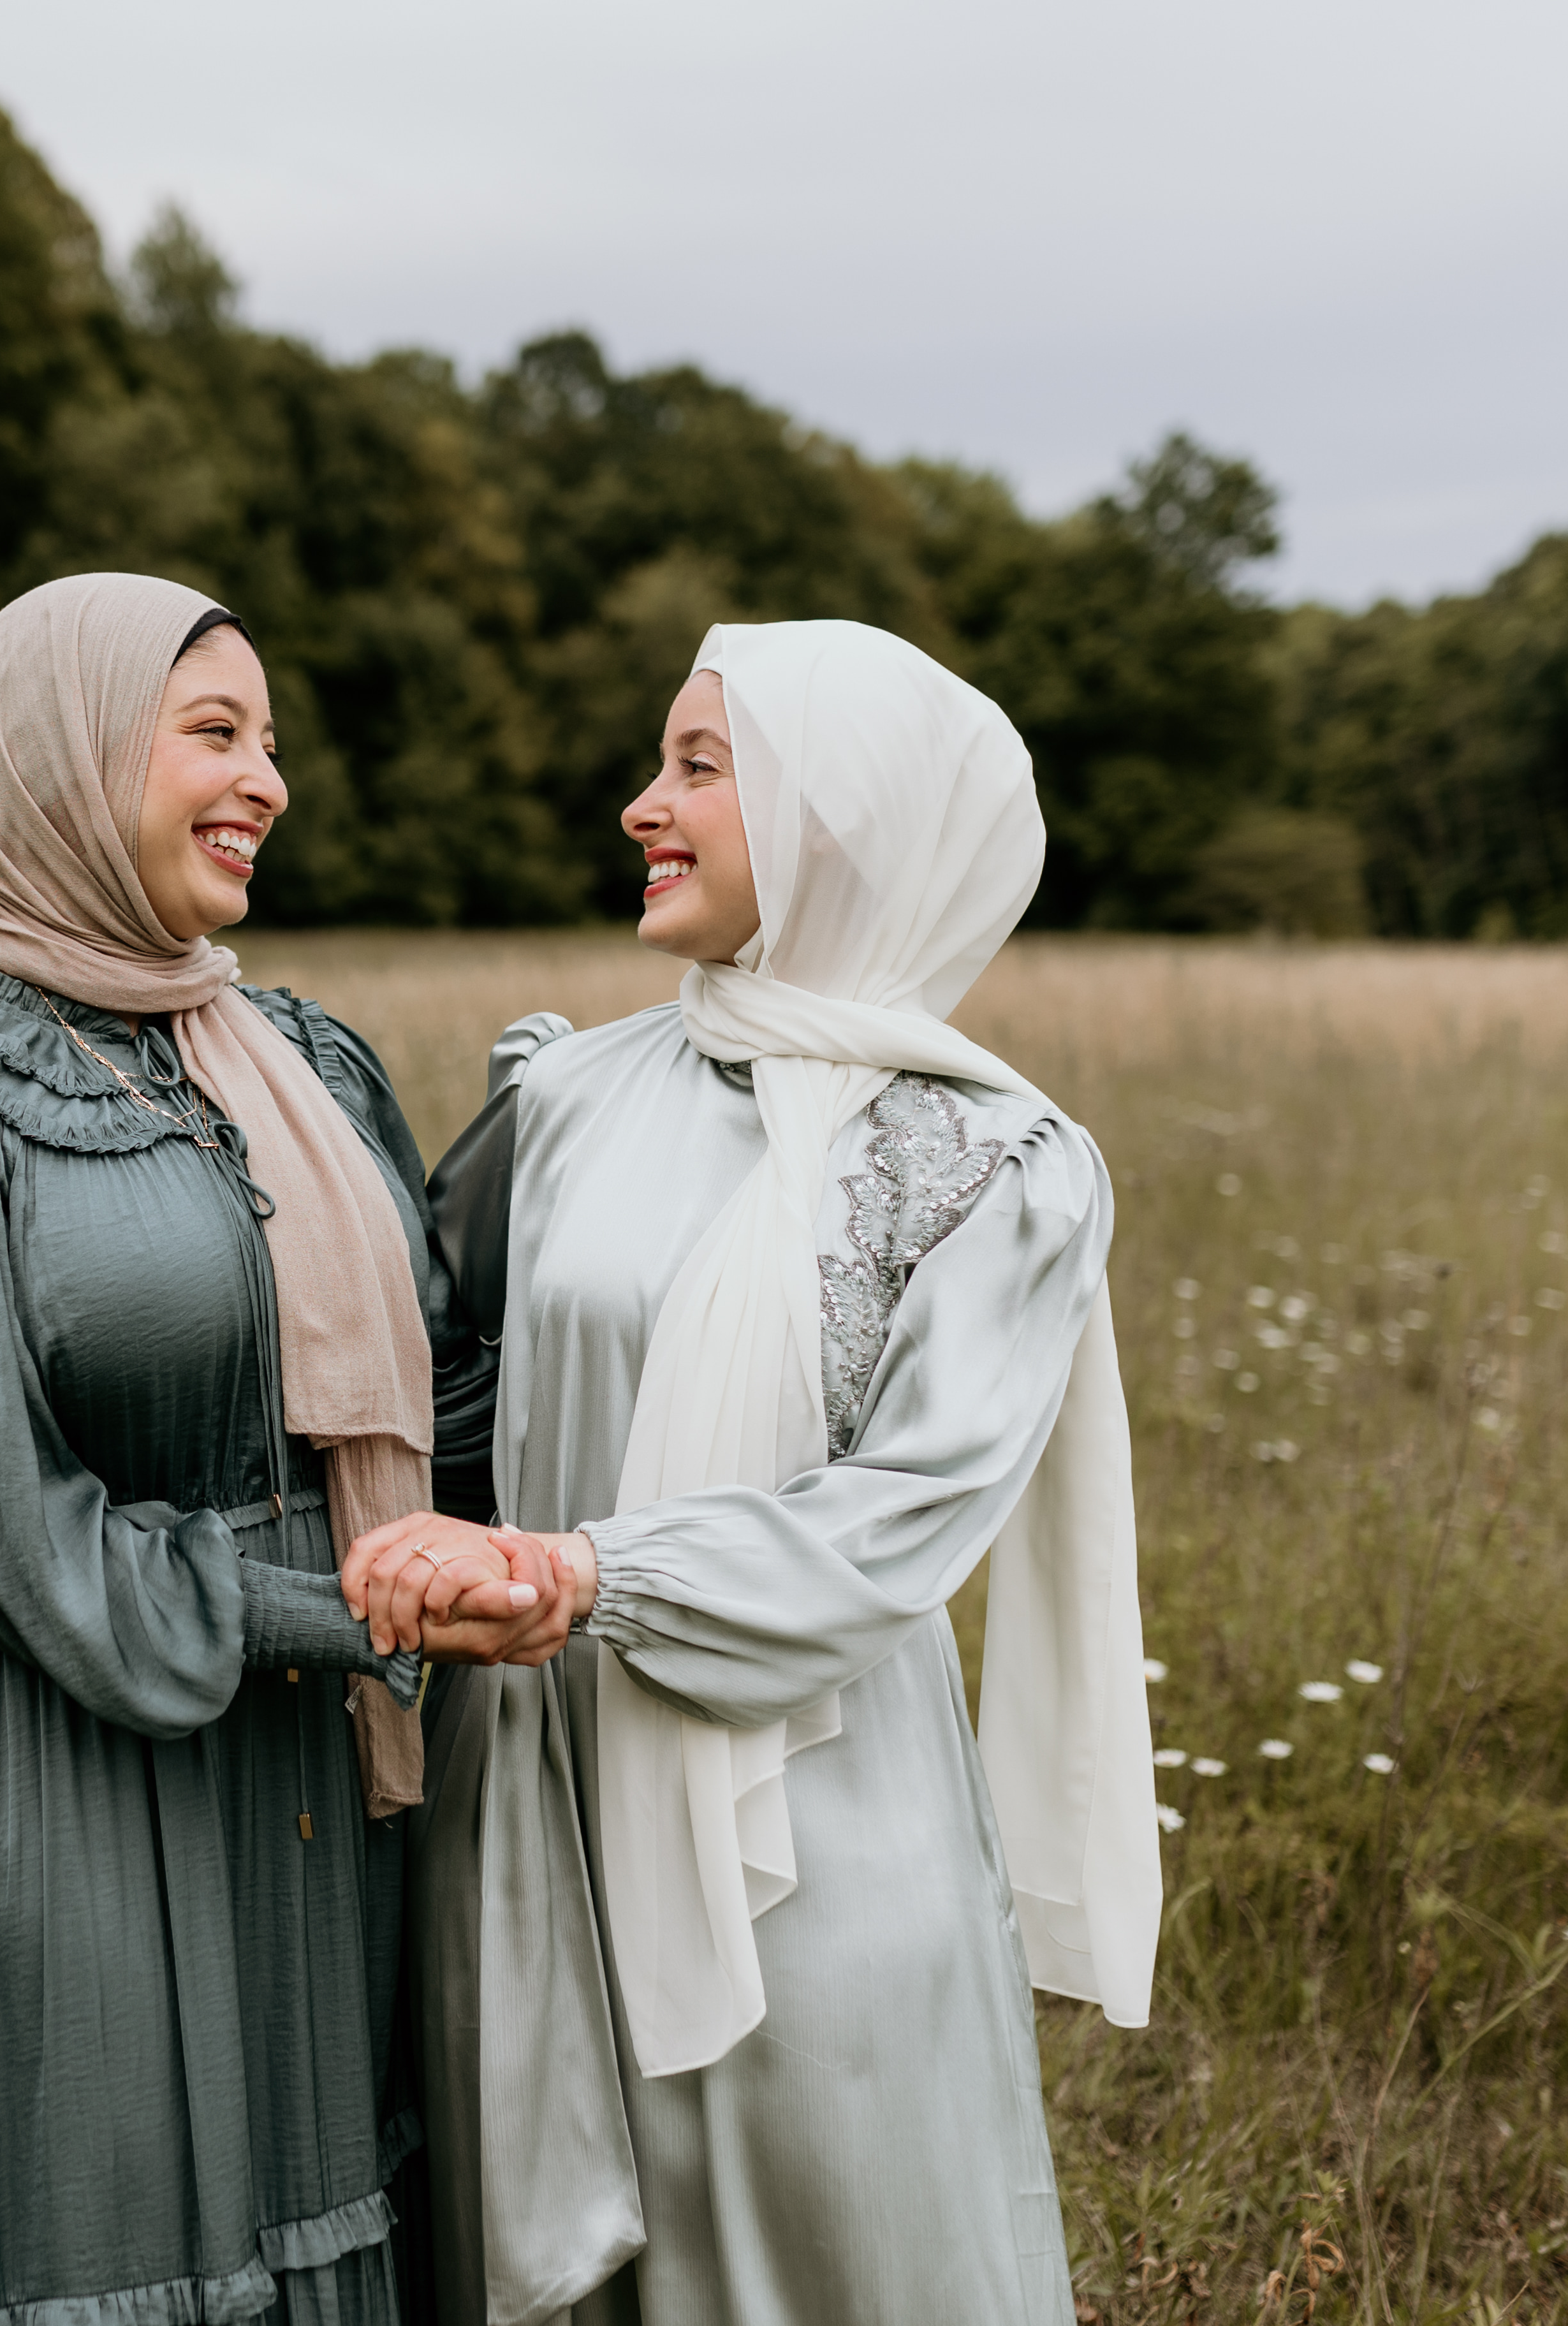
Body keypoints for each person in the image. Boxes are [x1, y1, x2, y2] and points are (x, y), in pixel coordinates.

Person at [347, 621, 1161, 2325]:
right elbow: (442, 1382)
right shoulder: (565, 1090)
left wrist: (589, 1578)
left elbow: (904, 1523)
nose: (643, 805)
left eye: (699, 768)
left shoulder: (994, 1162)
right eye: (661, 764)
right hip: (534, 1790)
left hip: (823, 1836)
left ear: (837, 819)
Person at [0, 572, 531, 2326]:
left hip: (317, 1806)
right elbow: (19, 1552)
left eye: (271, 742)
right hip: (59, 1787)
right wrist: (360, 1617)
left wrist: (576, 1153)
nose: (268, 779)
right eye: (215, 732)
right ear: (54, 760)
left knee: (324, 2226)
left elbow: (444, 1389)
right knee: (107, 2252)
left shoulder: (305, 1059)